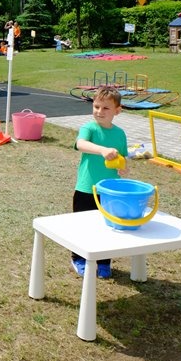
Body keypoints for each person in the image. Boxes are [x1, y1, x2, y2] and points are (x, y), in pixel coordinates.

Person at [71, 86, 129, 279]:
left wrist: (124, 168)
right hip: (87, 188)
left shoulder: (120, 134)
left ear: (117, 111)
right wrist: (102, 150)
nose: (99, 111)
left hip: (110, 191)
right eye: (96, 106)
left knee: (108, 227)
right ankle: (79, 258)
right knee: (83, 226)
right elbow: (80, 144)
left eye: (105, 108)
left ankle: (104, 261)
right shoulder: (89, 128)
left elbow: (122, 157)